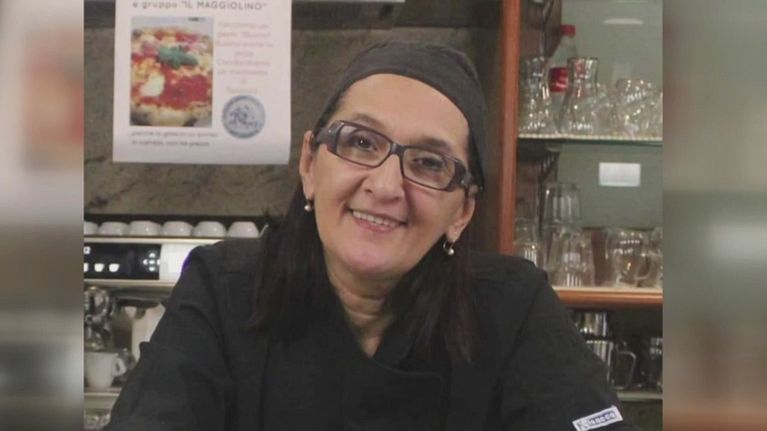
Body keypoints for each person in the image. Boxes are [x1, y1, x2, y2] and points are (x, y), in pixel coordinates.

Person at [106, 41, 636, 430]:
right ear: (310, 164)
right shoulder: (224, 287)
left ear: (462, 210)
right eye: (360, 142)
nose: (385, 186)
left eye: (428, 163)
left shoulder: (512, 307)